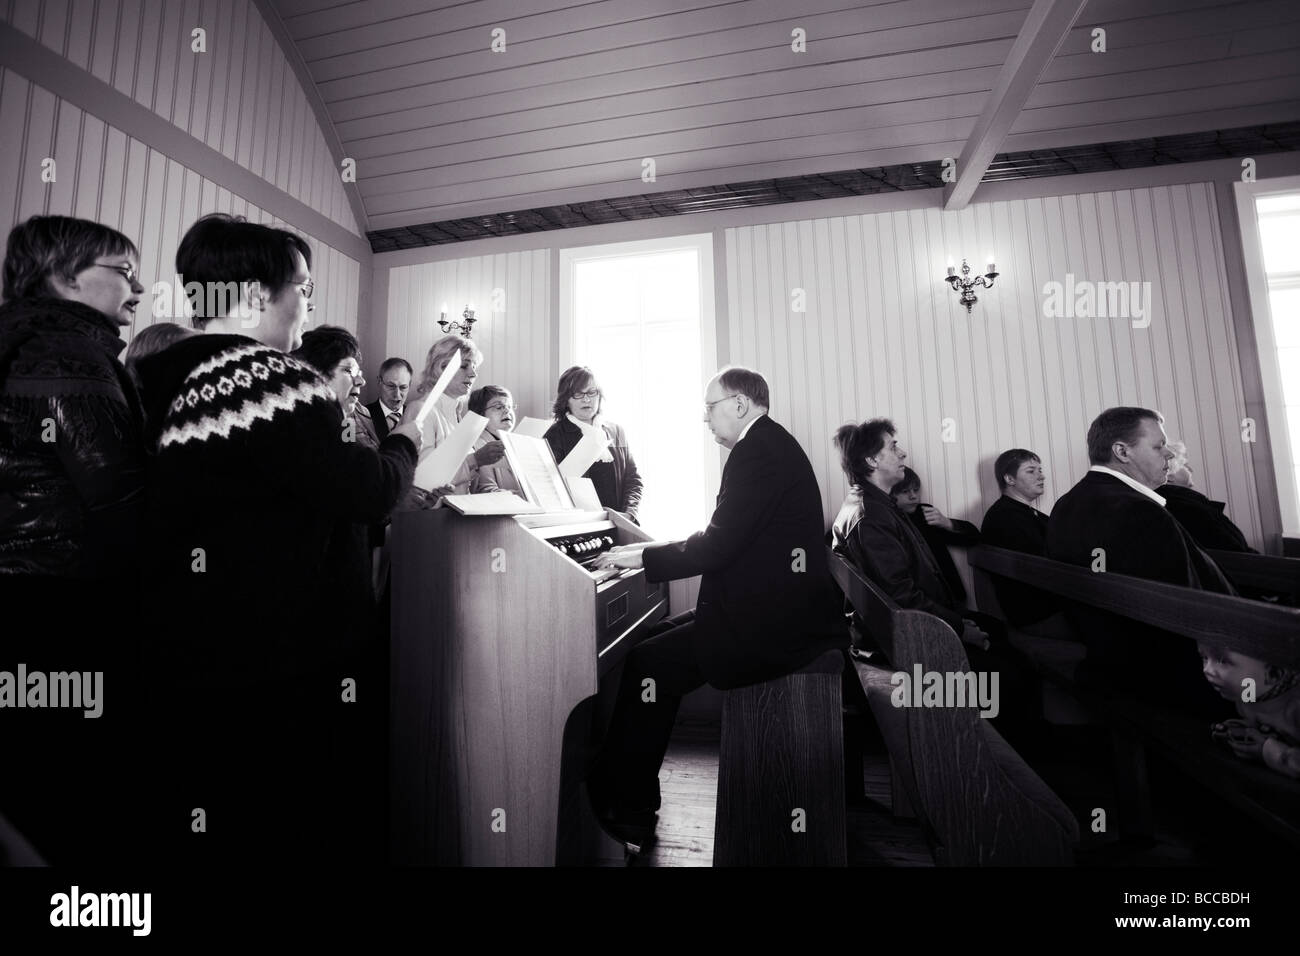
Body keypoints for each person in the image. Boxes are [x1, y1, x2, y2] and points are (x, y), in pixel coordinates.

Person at [133, 213, 423, 865]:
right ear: (261, 295)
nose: (308, 304)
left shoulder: (156, 372)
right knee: (289, 821)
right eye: (304, 287)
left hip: (183, 648)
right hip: (279, 660)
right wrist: (405, 443)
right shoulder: (272, 381)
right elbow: (368, 491)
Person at [587, 367, 846, 846]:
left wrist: (642, 555)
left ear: (740, 404)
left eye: (711, 407)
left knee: (648, 665)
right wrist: (652, 548)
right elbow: (726, 536)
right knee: (649, 642)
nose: (705, 419)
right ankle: (615, 781)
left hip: (774, 625)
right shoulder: (764, 445)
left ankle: (629, 806)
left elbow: (718, 547)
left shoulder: (759, 452)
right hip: (768, 607)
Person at [0, 214, 147, 865]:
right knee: (71, 793)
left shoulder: (20, 340)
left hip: (24, 595)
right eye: (123, 271)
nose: (139, 290)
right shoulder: (66, 354)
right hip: (61, 599)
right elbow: (120, 497)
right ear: (63, 274)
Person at [1046, 406, 1235, 714]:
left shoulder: (1066, 505)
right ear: (1122, 451)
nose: (1169, 456)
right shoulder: (1139, 511)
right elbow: (1186, 613)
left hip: (1106, 657)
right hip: (1161, 678)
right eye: (1159, 447)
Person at [831, 420, 992, 652]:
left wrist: (955, 619)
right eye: (893, 447)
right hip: (902, 635)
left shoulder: (877, 505)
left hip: (913, 622)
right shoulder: (871, 516)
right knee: (1009, 664)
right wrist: (959, 627)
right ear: (872, 460)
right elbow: (900, 595)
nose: (903, 454)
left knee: (999, 636)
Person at [401, 333, 504, 505]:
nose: (473, 374)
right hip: (429, 519)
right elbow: (422, 478)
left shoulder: (458, 415)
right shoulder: (421, 410)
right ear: (441, 368)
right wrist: (476, 459)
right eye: (464, 366)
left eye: (474, 367)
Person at [543, 366, 643, 523]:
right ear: (566, 399)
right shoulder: (554, 434)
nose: (586, 399)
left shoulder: (616, 431)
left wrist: (630, 513)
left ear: (599, 395)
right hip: (578, 524)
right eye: (577, 393)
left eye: (591, 392)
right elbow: (550, 488)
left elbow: (633, 479)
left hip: (621, 522)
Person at [980, 448, 1066, 629]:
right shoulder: (1006, 517)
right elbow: (1045, 565)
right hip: (1037, 612)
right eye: (1031, 471)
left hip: (1043, 605)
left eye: (1040, 470)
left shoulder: (1024, 513)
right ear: (1009, 479)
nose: (1041, 476)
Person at [1200, 642, 1300, 779]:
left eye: (1222, 661)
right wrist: (1246, 731)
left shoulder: (1295, 709)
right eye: (1204, 657)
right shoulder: (1248, 693)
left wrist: (1268, 752)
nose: (1206, 670)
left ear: (1273, 674)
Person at [890, 466, 980, 603]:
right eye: (905, 491)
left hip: (951, 597)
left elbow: (974, 538)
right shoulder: (888, 520)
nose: (913, 496)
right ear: (891, 494)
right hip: (920, 601)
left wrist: (948, 523)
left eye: (916, 490)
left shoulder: (924, 513)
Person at [1161, 441, 1256, 554]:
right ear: (1168, 474)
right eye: (1184, 464)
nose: (1191, 469)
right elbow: (1234, 552)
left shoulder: (1185, 502)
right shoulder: (1186, 508)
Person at [468, 385, 524, 497]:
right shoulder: (476, 446)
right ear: (480, 414)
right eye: (499, 407)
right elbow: (487, 491)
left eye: (510, 406)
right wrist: (526, 496)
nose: (507, 411)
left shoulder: (517, 443)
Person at [368, 356, 411, 442]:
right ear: (379, 382)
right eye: (391, 386)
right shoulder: (362, 416)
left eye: (403, 387)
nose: (397, 395)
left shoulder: (416, 418)